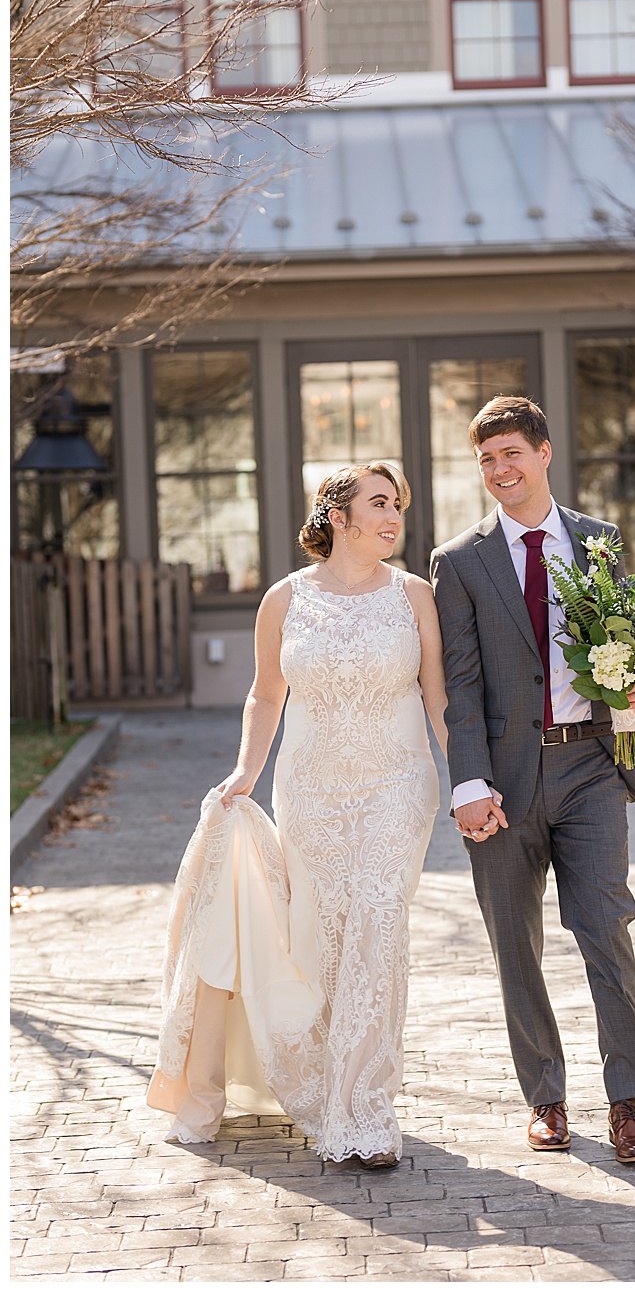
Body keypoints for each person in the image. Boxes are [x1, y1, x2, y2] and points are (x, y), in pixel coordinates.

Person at [150, 462, 445, 1170]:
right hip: (309, 791)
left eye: (397, 504)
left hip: (398, 784)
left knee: (377, 923)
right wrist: (246, 770)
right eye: (378, 503)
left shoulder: (416, 596)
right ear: (337, 516)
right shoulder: (284, 599)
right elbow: (264, 695)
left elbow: (439, 698)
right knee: (322, 935)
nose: (392, 515)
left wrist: (470, 779)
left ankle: (367, 1109)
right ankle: (319, 1090)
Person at [430, 395, 635, 1164]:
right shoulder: (459, 562)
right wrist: (467, 783)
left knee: (605, 927)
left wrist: (634, 686)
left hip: (592, 764)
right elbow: (460, 684)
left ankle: (627, 1101)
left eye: (511, 455)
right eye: (487, 461)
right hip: (501, 775)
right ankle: (546, 1099)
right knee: (514, 942)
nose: (500, 471)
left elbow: (623, 643)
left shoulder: (599, 541)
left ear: (544, 453)